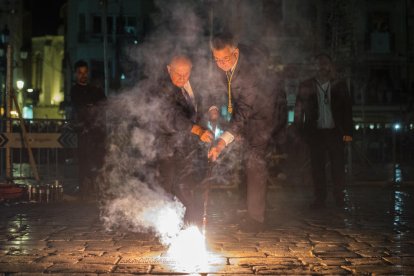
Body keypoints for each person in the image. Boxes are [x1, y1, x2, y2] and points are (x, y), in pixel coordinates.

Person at [208, 33, 277, 232]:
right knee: (244, 162)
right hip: (240, 114)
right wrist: (213, 107)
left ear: (235, 53)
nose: (220, 64)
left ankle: (256, 218)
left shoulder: (251, 73)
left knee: (255, 162)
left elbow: (245, 110)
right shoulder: (222, 63)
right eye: (217, 60)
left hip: (261, 118)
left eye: (225, 59)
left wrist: (222, 142)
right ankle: (245, 208)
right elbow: (214, 86)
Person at [157, 55, 213, 225]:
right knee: (169, 187)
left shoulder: (197, 83)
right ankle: (167, 227)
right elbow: (171, 118)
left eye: (186, 74)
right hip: (169, 146)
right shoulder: (162, 89)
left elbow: (207, 100)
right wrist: (197, 129)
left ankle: (191, 226)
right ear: (168, 70)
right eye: (177, 75)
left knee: (188, 184)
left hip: (191, 147)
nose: (182, 78)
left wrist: (213, 109)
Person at [294, 53, 353, 209]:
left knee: (338, 168)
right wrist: (300, 131)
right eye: (319, 63)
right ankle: (320, 199)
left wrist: (348, 132)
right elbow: (298, 110)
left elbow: (347, 109)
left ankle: (339, 198)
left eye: (325, 63)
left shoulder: (339, 85)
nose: (322, 66)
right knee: (317, 168)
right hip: (316, 133)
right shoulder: (306, 85)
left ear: (330, 65)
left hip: (335, 132)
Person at [70, 60, 107, 200]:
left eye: (85, 72)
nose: (83, 75)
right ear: (75, 74)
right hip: (84, 132)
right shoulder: (75, 90)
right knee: (83, 161)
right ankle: (83, 190)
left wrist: (92, 107)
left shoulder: (96, 89)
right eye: (80, 73)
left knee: (98, 161)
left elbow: (104, 104)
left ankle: (97, 190)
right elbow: (80, 107)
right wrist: (90, 108)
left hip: (97, 133)